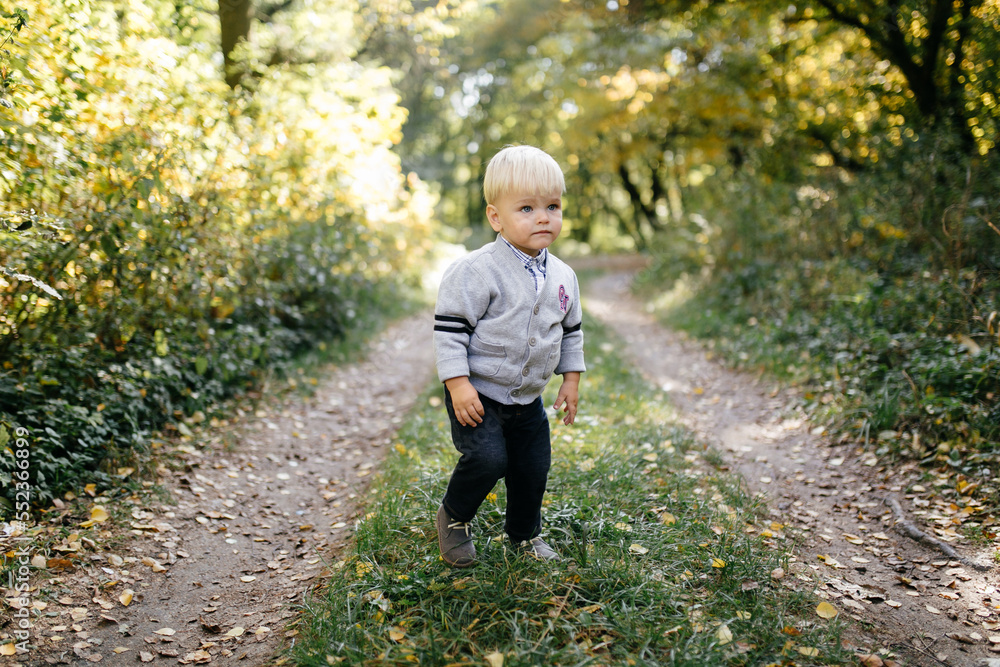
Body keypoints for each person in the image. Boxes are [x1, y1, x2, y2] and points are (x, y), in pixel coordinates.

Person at [432, 144, 585, 568]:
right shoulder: (475, 271)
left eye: (552, 206)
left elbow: (570, 330)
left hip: (528, 401)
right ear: (495, 217)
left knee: (532, 468)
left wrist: (570, 379)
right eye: (527, 208)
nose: (543, 217)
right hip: (478, 395)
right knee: (488, 459)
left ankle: (523, 535)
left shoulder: (563, 276)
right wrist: (458, 384)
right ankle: (455, 517)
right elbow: (449, 333)